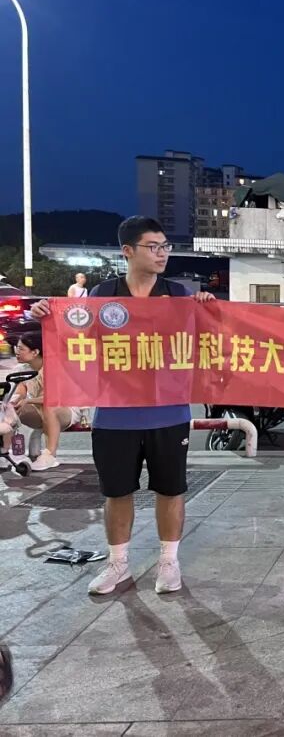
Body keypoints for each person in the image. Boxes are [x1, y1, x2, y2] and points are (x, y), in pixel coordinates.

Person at [31, 216, 216, 595]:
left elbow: (211, 340)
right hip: (114, 415)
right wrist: (47, 316)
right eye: (153, 246)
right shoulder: (103, 294)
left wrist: (208, 309)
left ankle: (169, 563)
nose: (162, 253)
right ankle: (118, 565)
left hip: (169, 413)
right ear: (128, 251)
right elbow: (75, 334)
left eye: (165, 246)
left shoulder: (179, 295)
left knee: (171, 490)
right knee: (116, 493)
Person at [6, 331, 81, 471]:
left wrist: (28, 401)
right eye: (16, 348)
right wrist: (13, 402)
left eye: (21, 348)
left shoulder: (54, 368)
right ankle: (11, 452)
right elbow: (19, 393)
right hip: (38, 410)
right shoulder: (20, 369)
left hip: (64, 411)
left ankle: (50, 455)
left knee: (49, 406)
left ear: (35, 352)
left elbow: (53, 397)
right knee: (11, 408)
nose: (16, 352)